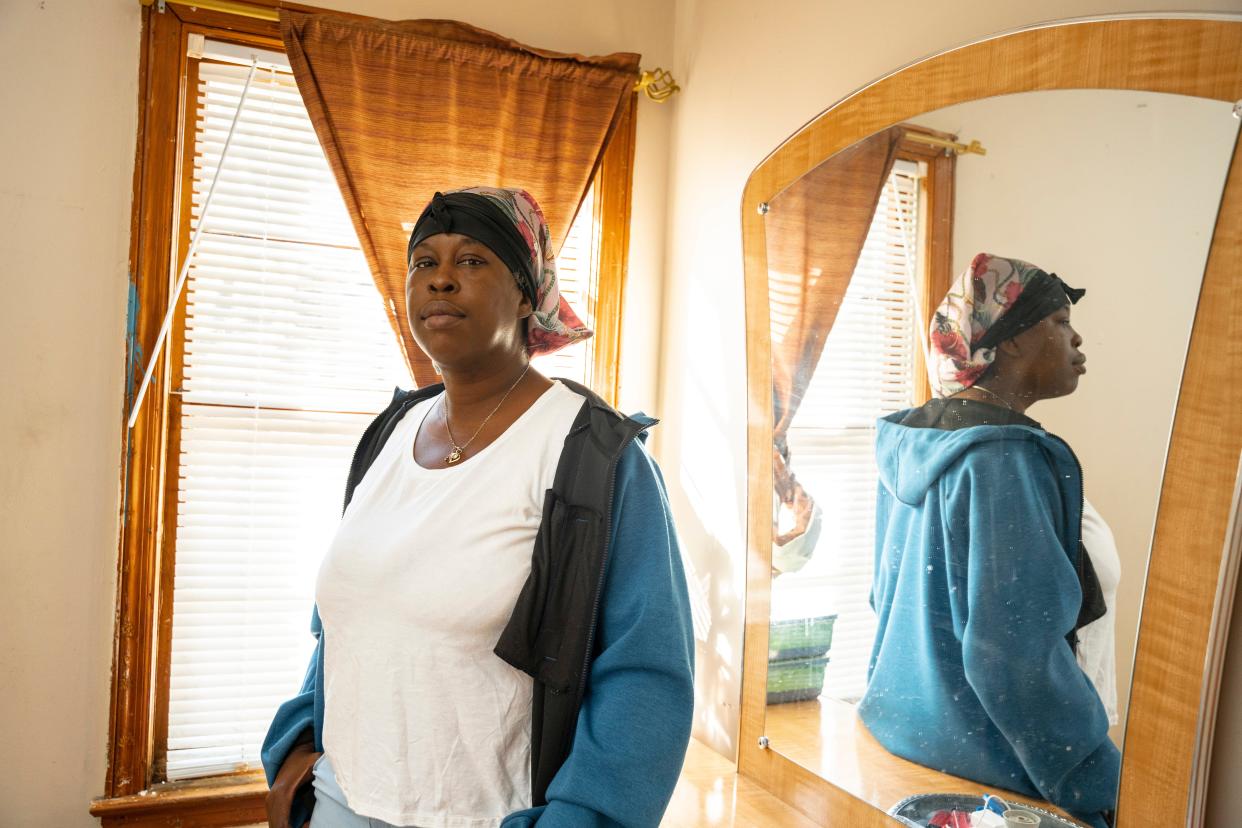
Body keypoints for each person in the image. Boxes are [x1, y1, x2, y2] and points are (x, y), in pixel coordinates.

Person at [260, 187, 695, 828]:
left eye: (470, 261)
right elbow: (349, 616)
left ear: (526, 293)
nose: (439, 279)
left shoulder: (594, 457)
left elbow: (646, 675)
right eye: (423, 263)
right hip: (339, 802)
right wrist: (299, 747)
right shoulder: (389, 432)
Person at [857, 253, 1120, 828]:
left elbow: (884, 598)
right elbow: (1013, 653)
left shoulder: (912, 441)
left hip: (911, 744)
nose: (1077, 339)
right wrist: (1096, 775)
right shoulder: (1003, 459)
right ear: (1013, 341)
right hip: (1006, 776)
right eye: (1059, 322)